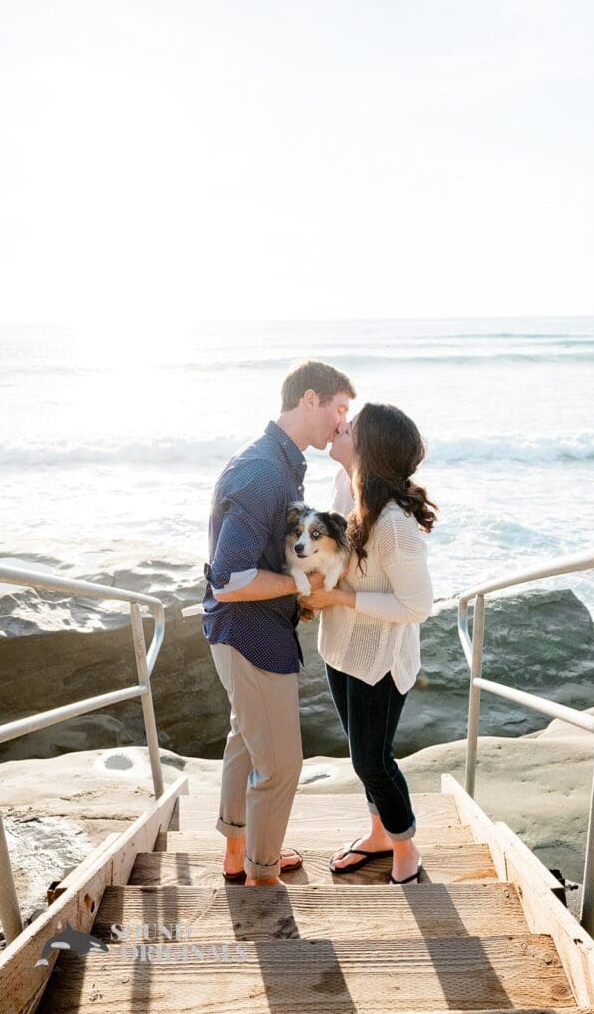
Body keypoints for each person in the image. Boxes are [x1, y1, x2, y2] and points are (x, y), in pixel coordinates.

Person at [203, 360, 355, 886]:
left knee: (245, 739)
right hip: (250, 634)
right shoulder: (263, 470)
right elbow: (228, 578)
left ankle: (237, 856)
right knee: (283, 764)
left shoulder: (279, 463)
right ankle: (263, 879)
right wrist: (303, 588)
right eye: (339, 409)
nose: (342, 423)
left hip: (248, 630)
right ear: (309, 400)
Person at [306, 403, 437, 885]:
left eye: (352, 426)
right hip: (341, 648)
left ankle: (405, 846)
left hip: (379, 660)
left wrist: (340, 596)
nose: (341, 425)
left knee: (372, 759)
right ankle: (379, 833)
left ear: (369, 449)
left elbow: (416, 605)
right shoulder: (346, 487)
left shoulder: (396, 526)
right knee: (362, 754)